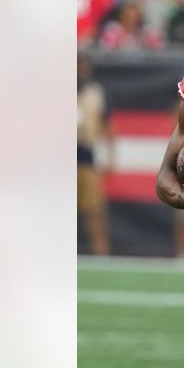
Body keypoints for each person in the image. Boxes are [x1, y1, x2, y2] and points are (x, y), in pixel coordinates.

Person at [77, 54, 110, 255]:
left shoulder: (95, 92)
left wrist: (109, 155)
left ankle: (101, 251)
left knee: (94, 210)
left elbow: (106, 124)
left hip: (86, 155)